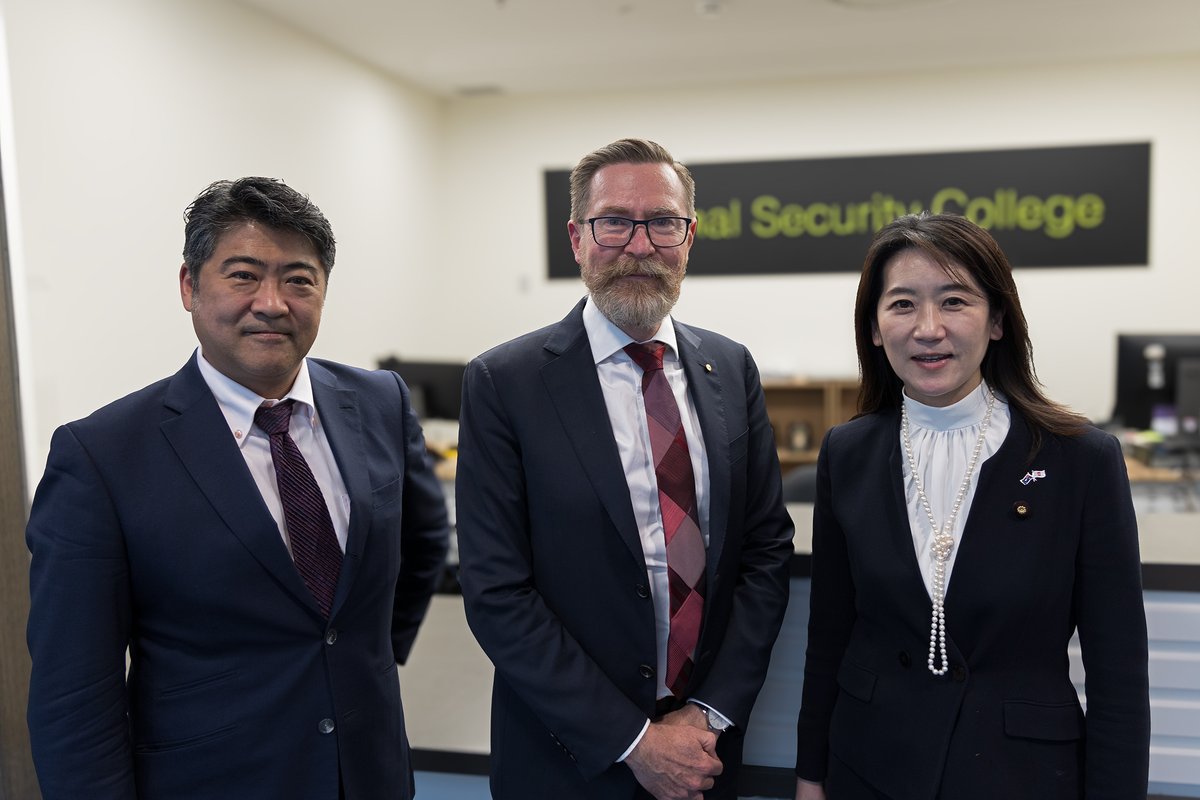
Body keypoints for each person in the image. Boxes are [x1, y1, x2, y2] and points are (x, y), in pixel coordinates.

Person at [26, 177, 450, 800]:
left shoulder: (378, 402)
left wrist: (356, 663)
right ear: (189, 287)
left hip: (370, 771)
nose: (273, 302)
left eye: (298, 279)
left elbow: (421, 546)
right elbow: (73, 692)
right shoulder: (102, 455)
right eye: (244, 275)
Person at [455, 138, 795, 800]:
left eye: (662, 222)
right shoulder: (505, 383)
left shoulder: (730, 369)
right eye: (614, 221)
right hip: (568, 760)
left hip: (706, 754)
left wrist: (709, 713)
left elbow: (764, 553)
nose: (639, 245)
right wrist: (635, 743)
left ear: (689, 238)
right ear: (577, 239)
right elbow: (498, 591)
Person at [793, 213, 1150, 799]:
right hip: (869, 768)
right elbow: (829, 638)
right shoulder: (847, 454)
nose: (928, 328)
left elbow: (1119, 678)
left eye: (955, 301)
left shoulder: (1080, 460)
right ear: (875, 328)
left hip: (1021, 776)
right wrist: (811, 777)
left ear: (998, 320)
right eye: (902, 304)